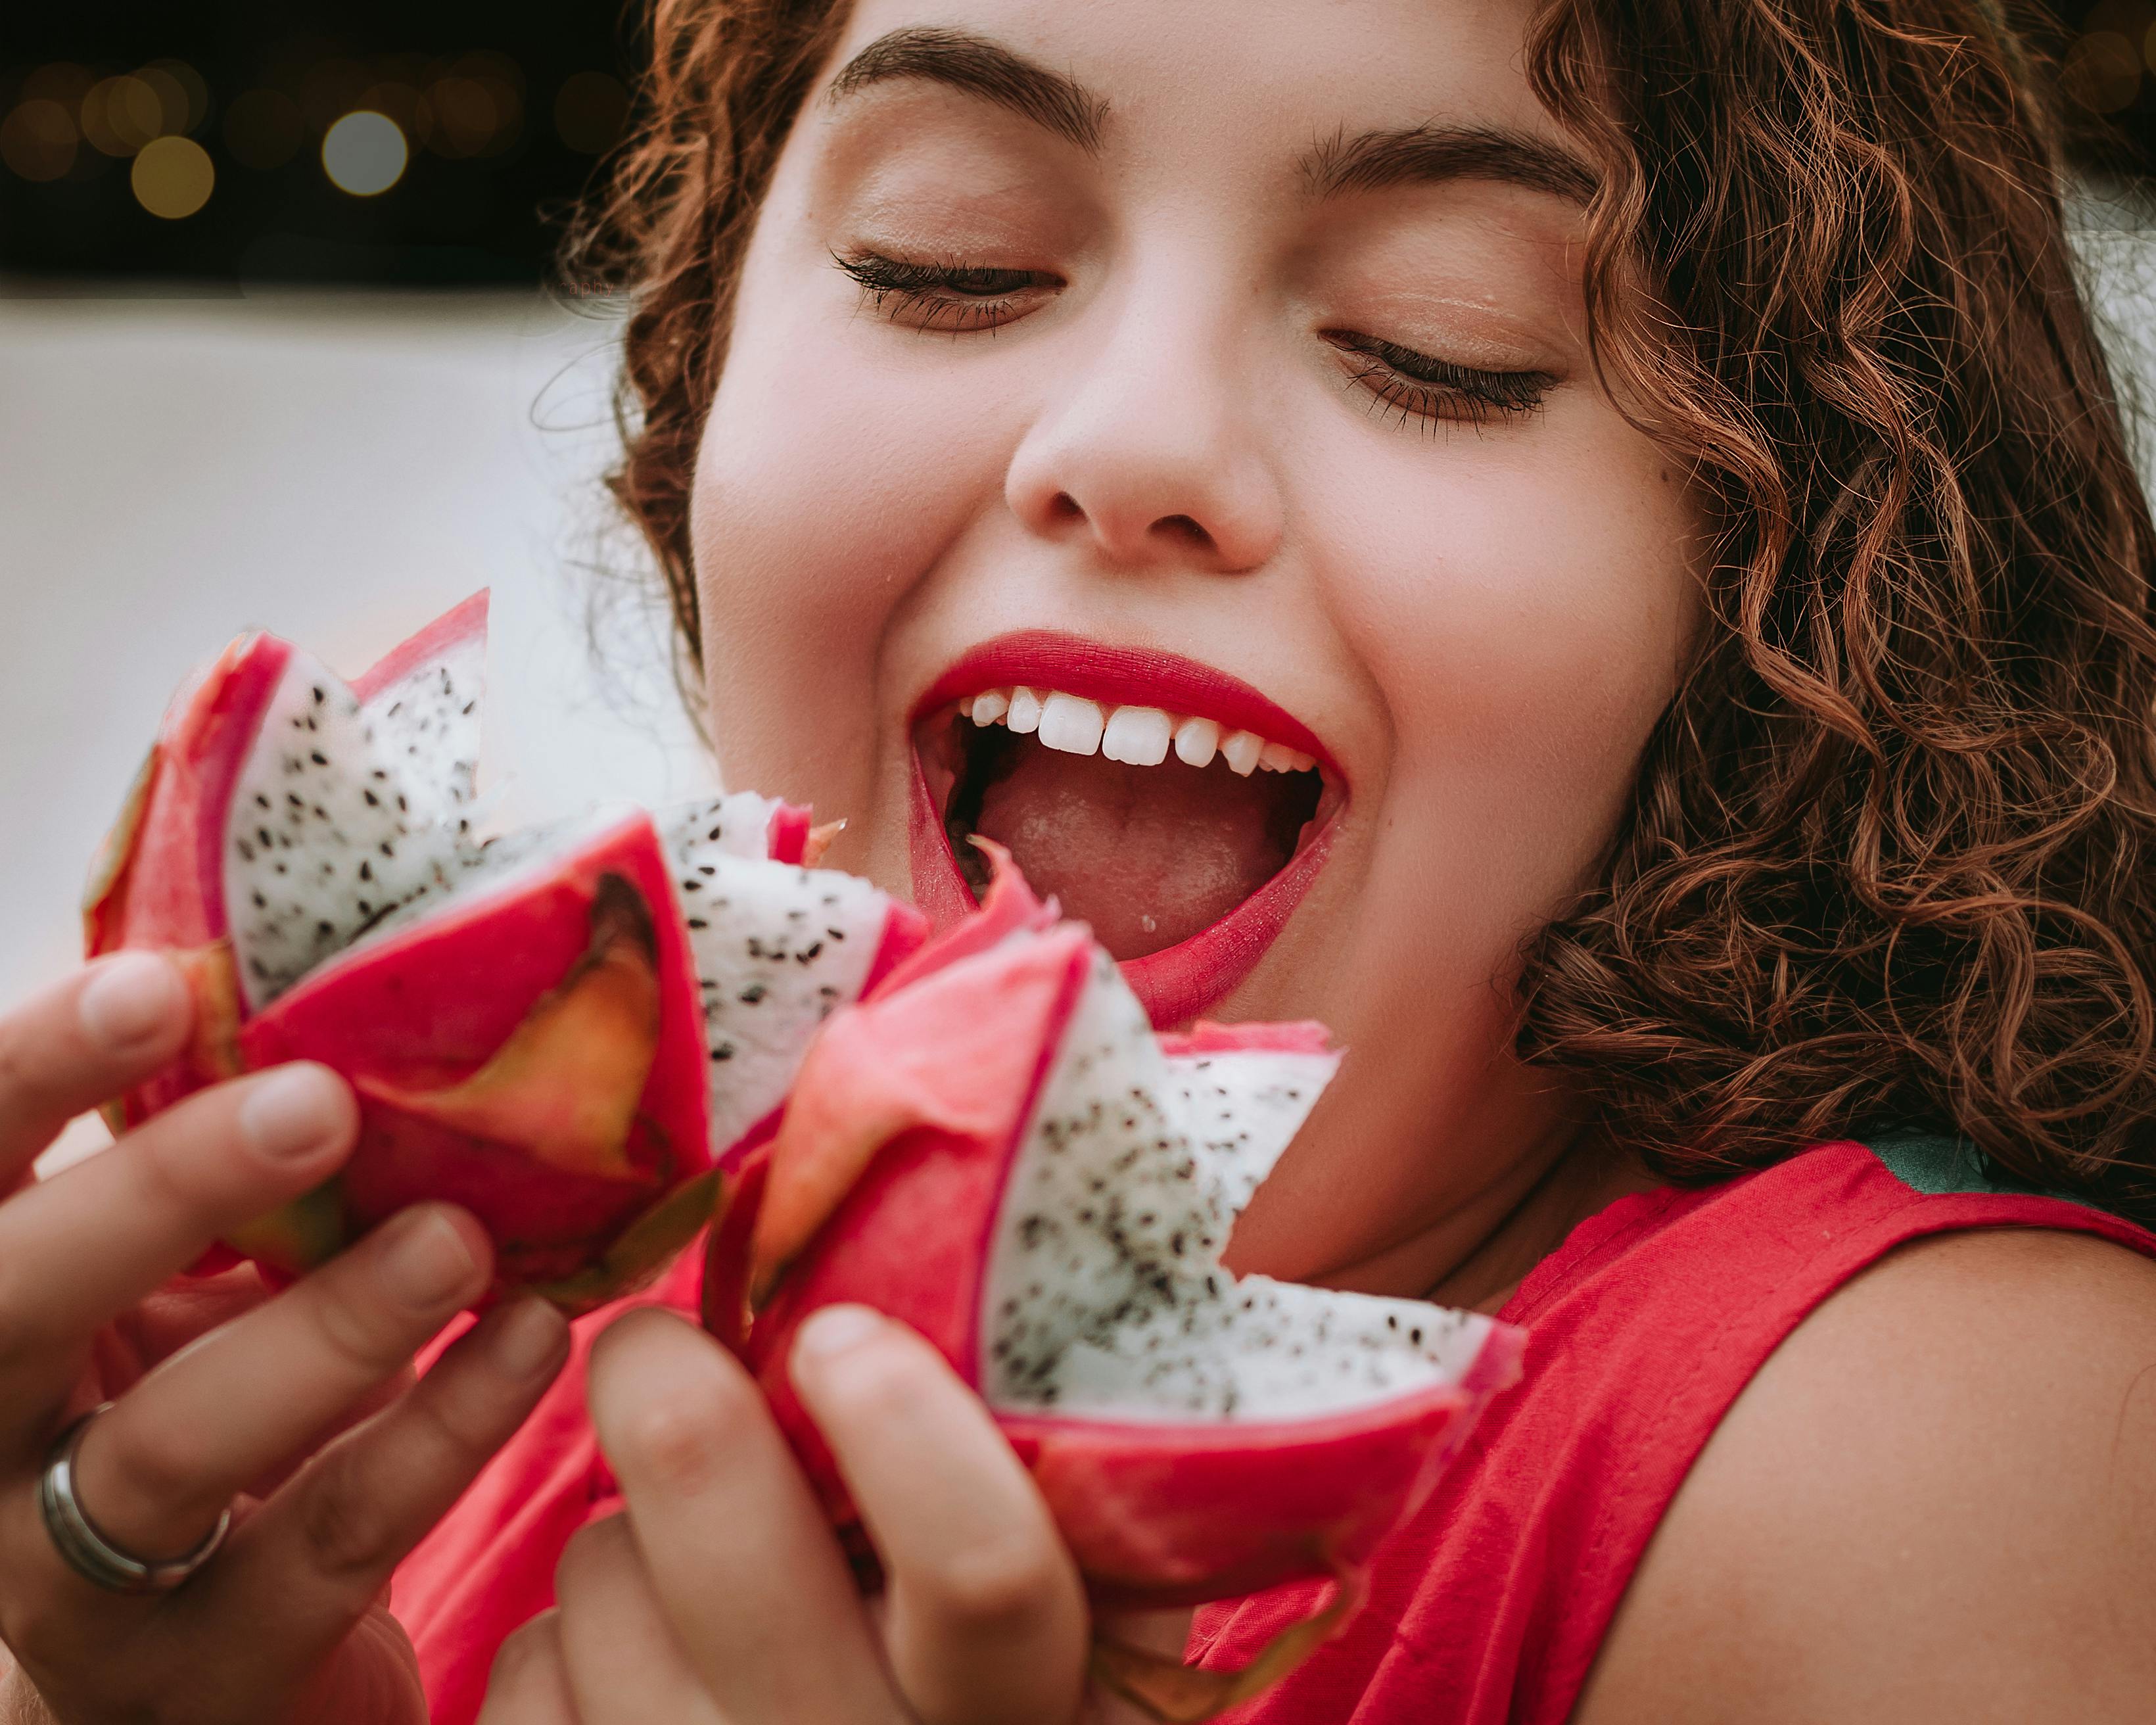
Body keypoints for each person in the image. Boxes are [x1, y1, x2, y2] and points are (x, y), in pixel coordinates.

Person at [8, 0, 2156, 1719]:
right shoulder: (439, 1378)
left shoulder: (1950, 1467)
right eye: (944, 264)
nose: (1127, 447)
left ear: (1787, 577)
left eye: (1444, 343)